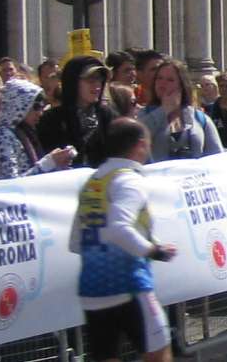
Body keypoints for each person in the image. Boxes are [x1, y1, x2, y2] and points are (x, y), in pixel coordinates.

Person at [75, 117, 179, 361]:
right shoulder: (130, 180)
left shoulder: (94, 181)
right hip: (130, 285)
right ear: (141, 145)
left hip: (92, 290)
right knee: (160, 355)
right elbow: (118, 227)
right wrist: (154, 250)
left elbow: (75, 239)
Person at [138, 60, 223, 163]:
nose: (162, 84)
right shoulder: (144, 114)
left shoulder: (199, 118)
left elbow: (217, 157)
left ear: (182, 86)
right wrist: (164, 110)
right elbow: (137, 139)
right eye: (159, 78)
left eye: (170, 80)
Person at [39, 56, 109, 166]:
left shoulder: (108, 116)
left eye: (100, 78)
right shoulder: (51, 120)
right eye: (90, 79)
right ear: (73, 82)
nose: (97, 85)